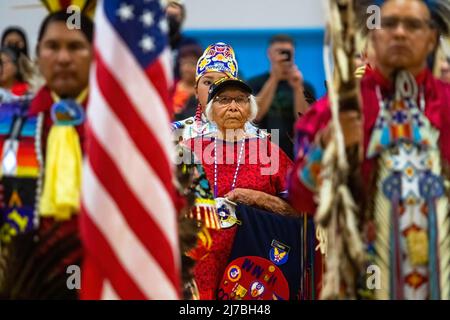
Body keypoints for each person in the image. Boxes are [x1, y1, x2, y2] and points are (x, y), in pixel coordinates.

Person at [289, 0, 450, 300]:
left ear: (431, 38)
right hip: (361, 279)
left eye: (413, 25)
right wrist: (327, 145)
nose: (400, 33)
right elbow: (299, 194)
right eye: (389, 24)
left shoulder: (446, 104)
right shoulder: (335, 111)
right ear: (372, 36)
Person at [0, 0, 94, 299]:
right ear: (38, 54)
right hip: (25, 283)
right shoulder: (7, 123)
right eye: (53, 46)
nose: (64, 57)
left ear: (96, 55)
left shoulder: (119, 129)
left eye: (76, 46)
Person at [183, 77, 300, 300]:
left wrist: (255, 198)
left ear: (250, 109)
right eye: (224, 100)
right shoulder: (189, 150)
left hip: (252, 268)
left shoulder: (269, 152)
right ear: (210, 110)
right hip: (197, 269)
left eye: (240, 100)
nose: (233, 106)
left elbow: (300, 212)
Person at [172, 42, 265, 142]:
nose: (213, 88)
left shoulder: (258, 138)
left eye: (222, 82)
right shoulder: (178, 132)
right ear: (196, 91)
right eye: (207, 82)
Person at [248, 34, 316, 159]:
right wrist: (274, 78)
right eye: (279, 52)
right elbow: (254, 116)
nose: (284, 56)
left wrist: (297, 88)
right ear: (269, 54)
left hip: (294, 152)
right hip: (262, 152)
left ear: (293, 54)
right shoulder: (254, 84)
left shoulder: (304, 86)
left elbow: (305, 121)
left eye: (287, 52)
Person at [165, 0, 200, 80]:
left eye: (175, 16)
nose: (171, 20)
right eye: (168, 15)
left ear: (182, 18)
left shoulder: (190, 45)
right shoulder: (155, 45)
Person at [173, 44, 203, 121]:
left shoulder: (204, 91)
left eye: (191, 63)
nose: (186, 68)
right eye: (183, 63)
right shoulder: (171, 87)